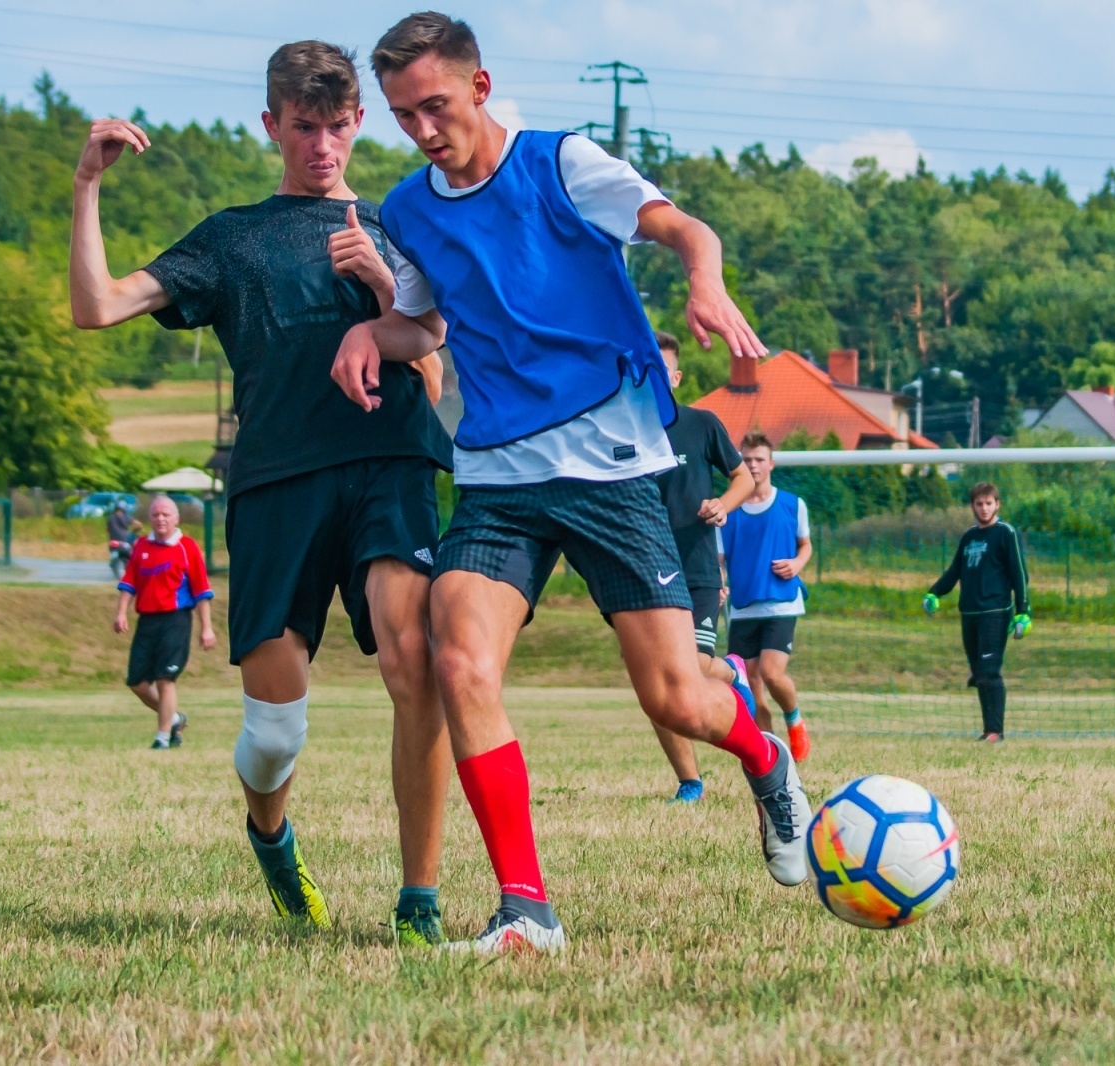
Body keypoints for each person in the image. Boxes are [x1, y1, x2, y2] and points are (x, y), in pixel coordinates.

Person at [335, 12, 811, 953]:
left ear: (479, 87)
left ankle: (766, 761)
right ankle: (527, 909)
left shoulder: (560, 164)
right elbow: (425, 326)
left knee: (676, 700)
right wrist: (366, 332)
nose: (423, 129)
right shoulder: (409, 211)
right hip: (497, 477)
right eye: (403, 115)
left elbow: (683, 227)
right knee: (459, 662)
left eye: (435, 105)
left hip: (610, 465)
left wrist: (704, 280)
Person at [68, 40, 456, 942]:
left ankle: (419, 903)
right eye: (304, 127)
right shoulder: (232, 238)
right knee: (276, 735)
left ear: (360, 123)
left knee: (417, 662)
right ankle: (272, 837)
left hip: (390, 465)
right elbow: (97, 307)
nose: (323, 146)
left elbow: (434, 361)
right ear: (271, 125)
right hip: (277, 486)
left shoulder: (400, 228)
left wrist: (384, 288)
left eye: (338, 127)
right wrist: (87, 186)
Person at [650, 330, 753, 804]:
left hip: (696, 572)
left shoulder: (702, 425)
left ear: (675, 377)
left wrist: (723, 505)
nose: (653, 376)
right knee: (654, 682)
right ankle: (689, 781)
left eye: (662, 369)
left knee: (690, 666)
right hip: (643, 573)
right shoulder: (620, 434)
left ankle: (730, 671)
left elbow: (742, 478)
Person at [720, 433, 813, 761]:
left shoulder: (792, 504)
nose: (753, 465)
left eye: (759, 459)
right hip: (743, 608)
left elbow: (805, 546)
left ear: (771, 464)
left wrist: (797, 564)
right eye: (746, 460)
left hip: (781, 603)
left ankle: (795, 721)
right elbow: (719, 561)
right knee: (750, 686)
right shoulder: (726, 510)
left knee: (772, 673)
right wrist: (719, 585)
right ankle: (769, 753)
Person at [923, 482, 1031, 742]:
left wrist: (1023, 610)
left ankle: (995, 732)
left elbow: (1019, 574)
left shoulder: (1006, 533)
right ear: (972, 506)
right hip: (969, 614)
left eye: (989, 503)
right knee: (979, 673)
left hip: (995, 612)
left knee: (989, 670)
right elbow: (954, 571)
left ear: (997, 505)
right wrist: (934, 592)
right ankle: (988, 730)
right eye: (979, 504)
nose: (984, 508)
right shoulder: (969, 537)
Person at [114, 495, 216, 750]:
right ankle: (174, 719)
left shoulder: (187, 547)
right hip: (147, 620)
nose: (160, 519)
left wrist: (206, 627)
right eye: (156, 514)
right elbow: (129, 582)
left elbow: (201, 591)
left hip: (176, 620)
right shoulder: (141, 546)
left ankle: (162, 738)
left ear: (176, 519)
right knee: (137, 683)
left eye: (166, 514)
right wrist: (121, 613)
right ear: (150, 518)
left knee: (164, 679)